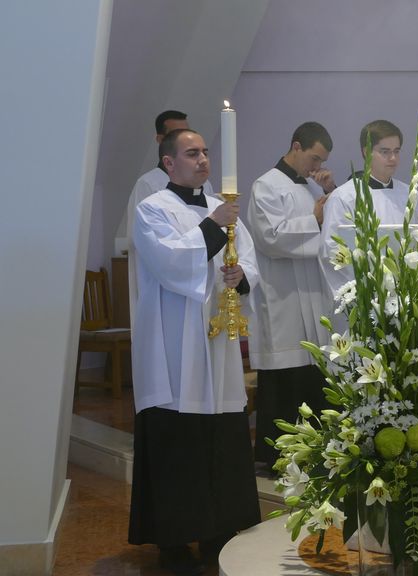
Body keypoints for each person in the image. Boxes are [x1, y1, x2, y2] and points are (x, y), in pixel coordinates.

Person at [129, 128, 261, 575]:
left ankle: (218, 530)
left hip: (216, 343)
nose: (203, 159)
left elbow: (249, 259)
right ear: (169, 163)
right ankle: (172, 538)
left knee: (220, 431)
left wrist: (241, 275)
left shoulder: (222, 208)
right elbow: (171, 263)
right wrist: (214, 224)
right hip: (173, 343)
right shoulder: (153, 209)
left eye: (205, 152)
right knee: (177, 437)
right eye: (192, 153)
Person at [246, 121, 336, 466]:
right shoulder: (266, 185)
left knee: (314, 376)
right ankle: (276, 456)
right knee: (286, 378)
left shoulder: (312, 187)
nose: (317, 166)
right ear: (296, 146)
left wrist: (331, 192)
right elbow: (269, 237)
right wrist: (314, 219)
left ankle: (316, 454)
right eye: (315, 158)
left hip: (313, 294)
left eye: (322, 161)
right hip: (282, 296)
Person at [119, 110, 214, 326]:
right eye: (175, 133)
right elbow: (144, 238)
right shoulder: (148, 184)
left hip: (204, 281)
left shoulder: (205, 185)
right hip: (165, 286)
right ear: (161, 140)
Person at [320, 120, 418, 296]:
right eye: (385, 152)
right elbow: (332, 251)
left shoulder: (410, 194)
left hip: (405, 293)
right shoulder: (344, 197)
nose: (393, 158)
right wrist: (365, 290)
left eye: (396, 151)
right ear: (366, 152)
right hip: (365, 294)